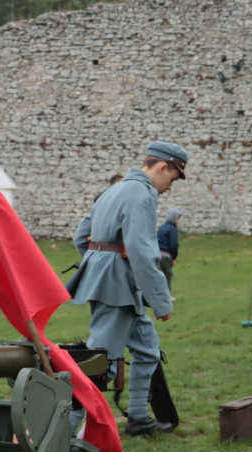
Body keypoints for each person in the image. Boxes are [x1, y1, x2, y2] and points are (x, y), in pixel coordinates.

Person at [67, 141, 188, 436]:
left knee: (147, 351)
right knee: (100, 364)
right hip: (117, 289)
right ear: (162, 167)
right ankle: (60, 435)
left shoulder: (114, 189)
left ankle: (137, 418)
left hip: (114, 286)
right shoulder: (141, 194)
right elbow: (143, 252)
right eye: (171, 179)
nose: (169, 188)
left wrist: (98, 266)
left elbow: (81, 237)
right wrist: (162, 302)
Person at [157, 207, 181, 299]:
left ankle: (158, 295)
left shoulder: (162, 228)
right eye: (179, 218)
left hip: (158, 254)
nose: (179, 220)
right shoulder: (172, 229)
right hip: (166, 255)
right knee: (168, 274)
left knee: (159, 274)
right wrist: (174, 257)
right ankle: (166, 296)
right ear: (174, 218)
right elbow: (174, 245)